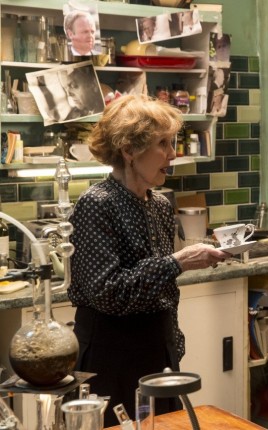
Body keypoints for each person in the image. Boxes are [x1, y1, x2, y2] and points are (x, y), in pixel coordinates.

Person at [68, 94, 230, 427]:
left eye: (173, 143)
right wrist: (177, 262)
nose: (173, 154)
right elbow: (108, 292)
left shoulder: (160, 206)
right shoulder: (97, 204)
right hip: (110, 356)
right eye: (163, 144)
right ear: (129, 150)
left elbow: (163, 291)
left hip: (157, 352)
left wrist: (172, 345)